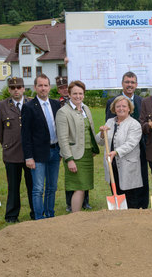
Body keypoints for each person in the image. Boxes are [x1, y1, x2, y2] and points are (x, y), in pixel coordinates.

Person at [106, 71, 150, 208]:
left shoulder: (142, 101)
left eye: (132, 82)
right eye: (127, 82)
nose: (129, 85)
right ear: (122, 83)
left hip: (139, 146)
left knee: (139, 178)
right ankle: (121, 203)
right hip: (119, 146)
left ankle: (141, 205)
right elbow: (109, 125)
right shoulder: (112, 102)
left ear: (136, 85)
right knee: (119, 176)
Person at [0, 77, 34, 222]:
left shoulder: (32, 103)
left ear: (23, 88)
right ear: (9, 90)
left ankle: (35, 213)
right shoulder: (1, 106)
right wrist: (7, 144)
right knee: (13, 187)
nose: (16, 90)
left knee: (33, 186)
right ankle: (11, 215)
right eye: (12, 88)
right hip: (12, 153)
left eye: (19, 87)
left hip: (31, 153)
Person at [21, 74, 62, 219]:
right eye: (40, 85)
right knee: (38, 189)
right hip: (37, 155)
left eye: (45, 85)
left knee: (52, 187)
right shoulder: (29, 107)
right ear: (35, 87)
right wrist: (28, 157)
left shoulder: (56, 105)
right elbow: (25, 135)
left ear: (50, 87)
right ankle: (39, 218)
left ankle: (50, 215)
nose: (43, 88)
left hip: (55, 151)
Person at [55, 80, 99, 213]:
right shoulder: (63, 112)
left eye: (80, 93)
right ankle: (75, 216)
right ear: (69, 94)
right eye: (75, 93)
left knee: (84, 186)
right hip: (74, 156)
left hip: (86, 154)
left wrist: (95, 144)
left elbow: (90, 131)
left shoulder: (86, 109)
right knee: (78, 187)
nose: (78, 96)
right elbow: (62, 139)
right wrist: (69, 159)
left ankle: (77, 215)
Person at [99, 96, 144, 208]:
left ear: (129, 108)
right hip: (112, 164)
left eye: (124, 106)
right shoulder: (109, 122)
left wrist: (116, 152)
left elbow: (131, 143)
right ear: (114, 108)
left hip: (128, 165)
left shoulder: (134, 124)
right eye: (118, 106)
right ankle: (119, 219)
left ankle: (132, 219)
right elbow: (100, 141)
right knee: (116, 191)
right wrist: (101, 134)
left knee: (130, 196)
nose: (121, 108)